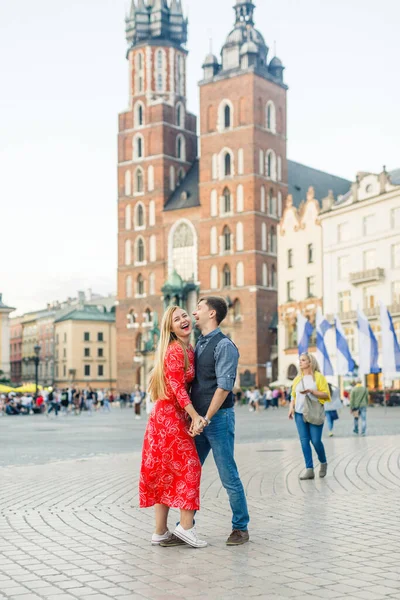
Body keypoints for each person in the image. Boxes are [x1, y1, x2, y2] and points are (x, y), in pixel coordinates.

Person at [139, 306, 207, 549]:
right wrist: (195, 416)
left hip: (168, 417)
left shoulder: (187, 348)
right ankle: (187, 528)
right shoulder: (175, 351)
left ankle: (160, 532)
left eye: (184, 315)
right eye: (176, 319)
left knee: (166, 474)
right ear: (170, 328)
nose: (183, 320)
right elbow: (178, 388)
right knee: (191, 466)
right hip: (169, 417)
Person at [190, 296, 250, 546]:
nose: (194, 312)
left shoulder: (224, 345)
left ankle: (240, 527)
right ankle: (185, 526)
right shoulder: (200, 342)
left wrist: (206, 417)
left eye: (199, 308)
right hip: (199, 420)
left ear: (212, 313)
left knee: (228, 474)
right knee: (190, 472)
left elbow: (224, 387)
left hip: (218, 419)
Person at [288, 353, 330, 480]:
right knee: (304, 441)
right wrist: (291, 408)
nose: (300, 362)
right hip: (299, 413)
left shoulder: (318, 377)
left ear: (310, 362)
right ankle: (309, 469)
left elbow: (326, 394)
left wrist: (312, 391)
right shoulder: (297, 378)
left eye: (303, 360)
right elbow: (293, 395)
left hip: (314, 412)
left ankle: (323, 462)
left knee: (316, 441)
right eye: (299, 360)